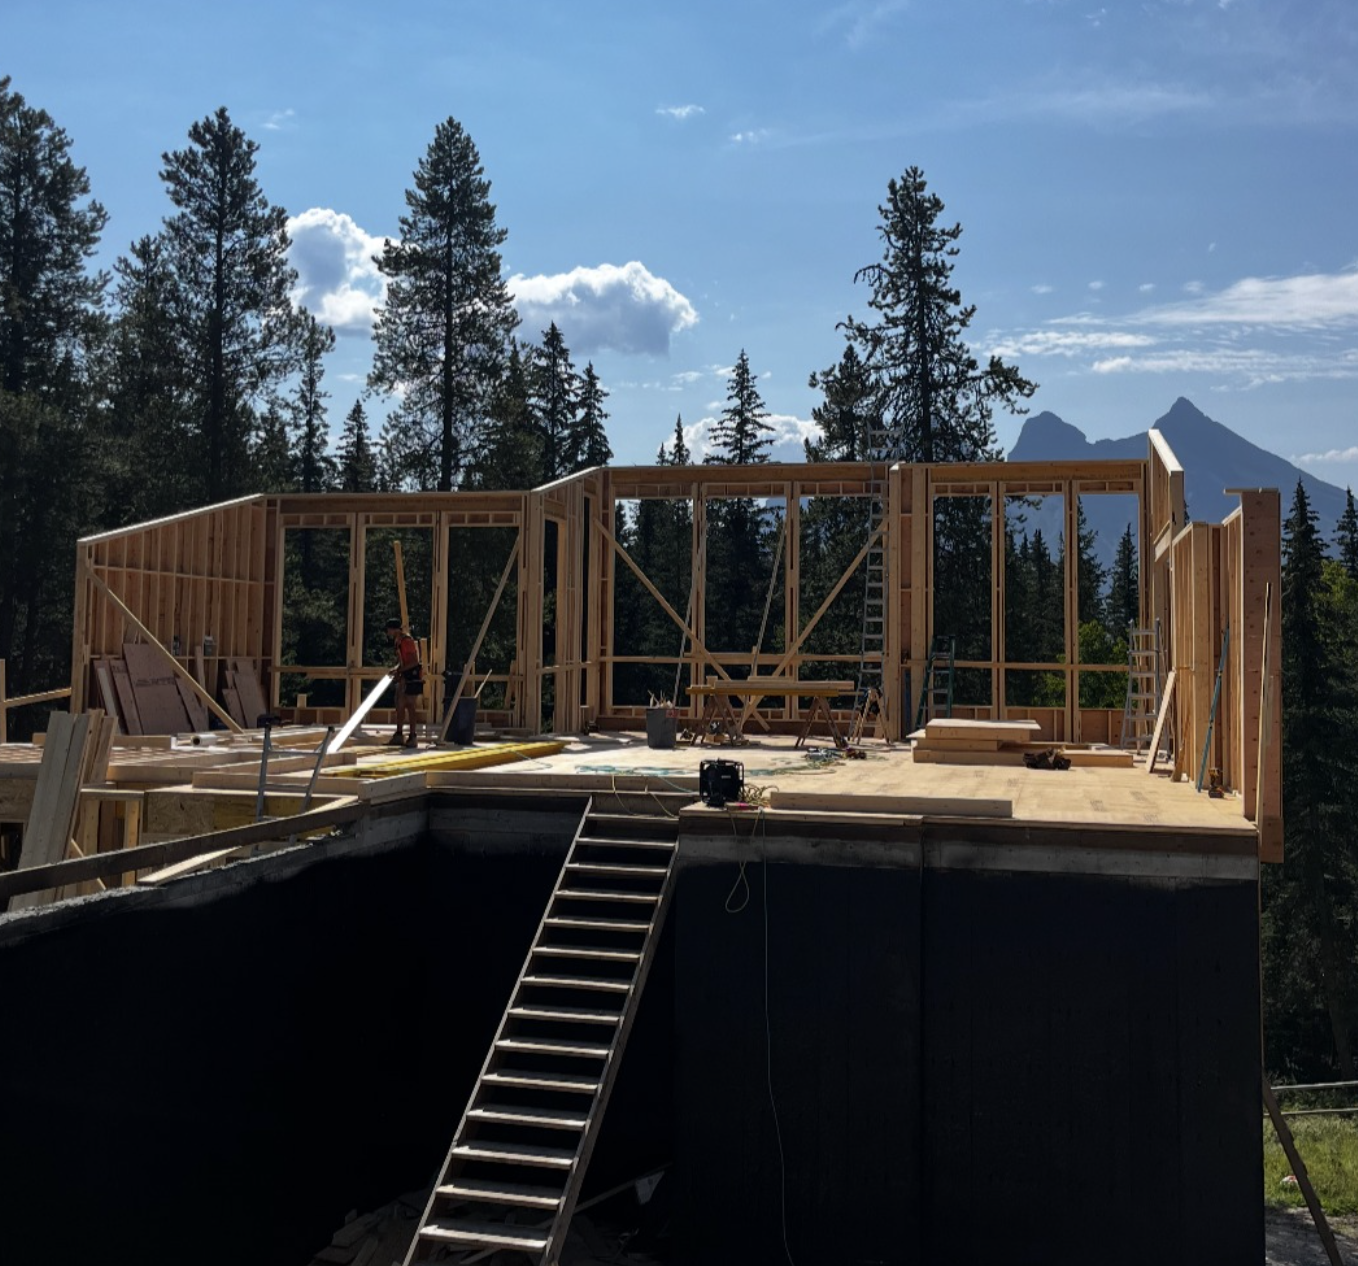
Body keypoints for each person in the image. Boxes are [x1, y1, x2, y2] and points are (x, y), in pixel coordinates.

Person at [384, 618, 423, 747]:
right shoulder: (398, 641)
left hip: (412, 676)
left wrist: (399, 671)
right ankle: (399, 734)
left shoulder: (406, 641)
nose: (387, 632)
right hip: (405, 675)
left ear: (394, 629)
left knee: (410, 705)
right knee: (399, 704)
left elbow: (413, 662)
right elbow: (403, 662)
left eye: (388, 630)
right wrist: (396, 669)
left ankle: (413, 737)